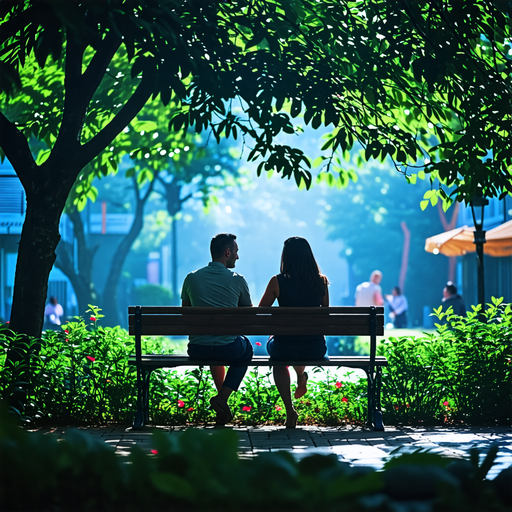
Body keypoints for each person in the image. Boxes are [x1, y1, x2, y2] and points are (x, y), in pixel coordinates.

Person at [181, 233, 253, 425]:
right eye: (236, 252)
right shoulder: (237, 279)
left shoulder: (191, 278)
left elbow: (185, 314)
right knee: (246, 349)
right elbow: (249, 316)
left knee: (215, 343)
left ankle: (222, 404)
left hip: (197, 349)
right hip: (228, 348)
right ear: (227, 252)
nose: (237, 256)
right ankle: (223, 398)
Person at [259, 237, 329, 429]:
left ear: (286, 257)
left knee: (280, 358)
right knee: (302, 338)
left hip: (284, 347)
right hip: (315, 348)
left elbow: (261, 310)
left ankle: (290, 412)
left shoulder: (277, 282)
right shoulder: (321, 282)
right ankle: (300, 375)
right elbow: (325, 315)